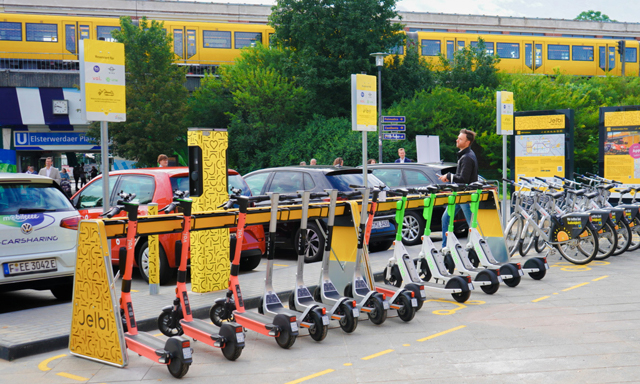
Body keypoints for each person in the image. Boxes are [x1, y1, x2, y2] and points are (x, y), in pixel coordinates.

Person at [438, 129, 478, 247]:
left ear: (467, 142)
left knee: (471, 224)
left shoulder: (466, 157)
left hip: (464, 196)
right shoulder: (466, 155)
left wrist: (449, 176)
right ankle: (445, 248)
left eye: (460, 139)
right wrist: (449, 178)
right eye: (458, 137)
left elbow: (464, 179)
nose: (457, 140)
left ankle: (475, 247)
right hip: (459, 195)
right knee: (445, 219)